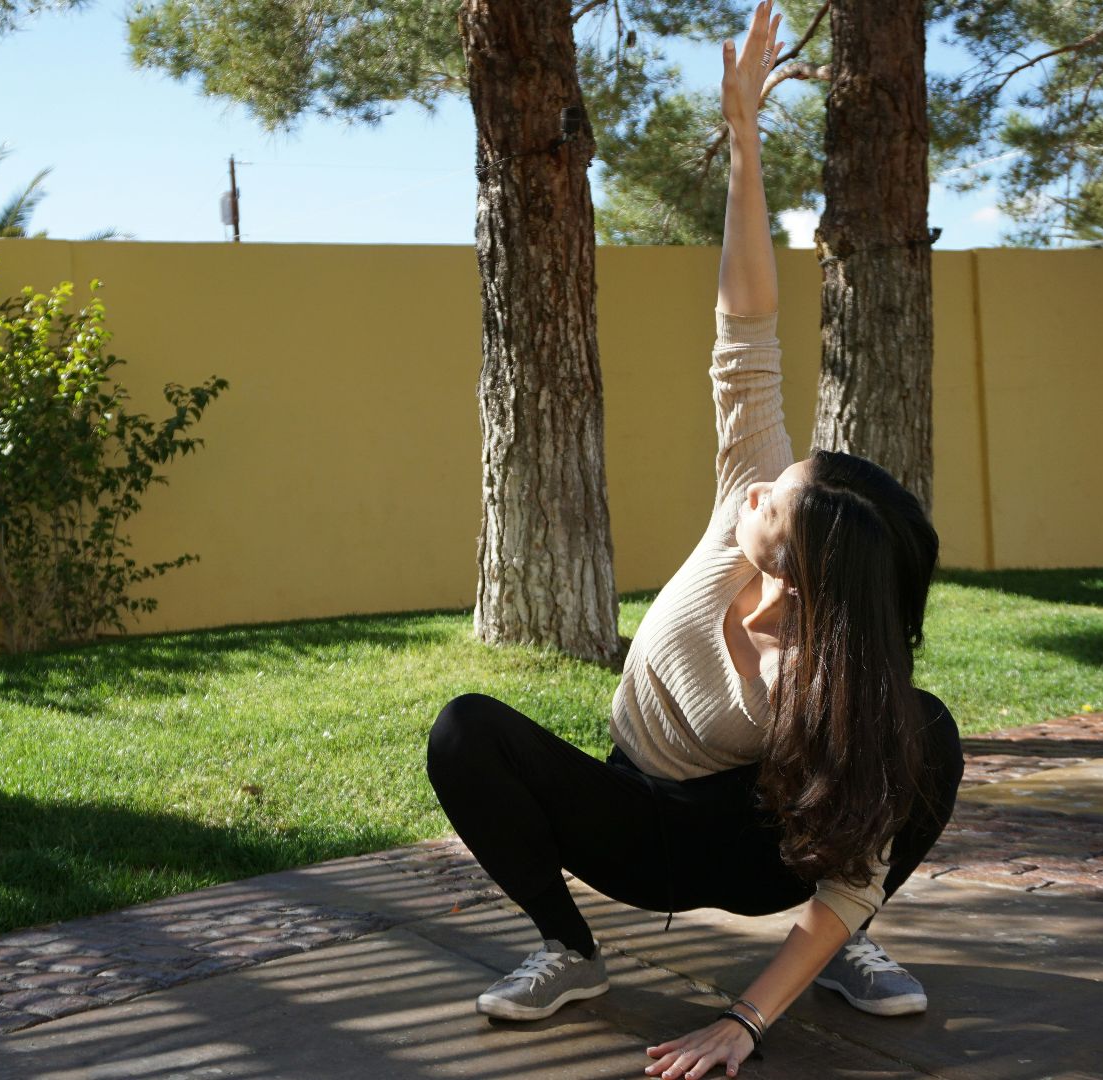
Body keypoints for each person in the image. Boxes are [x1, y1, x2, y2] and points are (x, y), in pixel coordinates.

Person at [425, 3, 962, 1077]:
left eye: (775, 503)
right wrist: (746, 147)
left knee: (929, 737)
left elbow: (853, 861)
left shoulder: (831, 674)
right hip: (634, 821)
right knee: (465, 731)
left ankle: (834, 951)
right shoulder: (740, 511)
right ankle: (568, 951)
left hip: (762, 851)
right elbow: (746, 335)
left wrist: (743, 1022)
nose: (757, 486)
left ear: (806, 571)